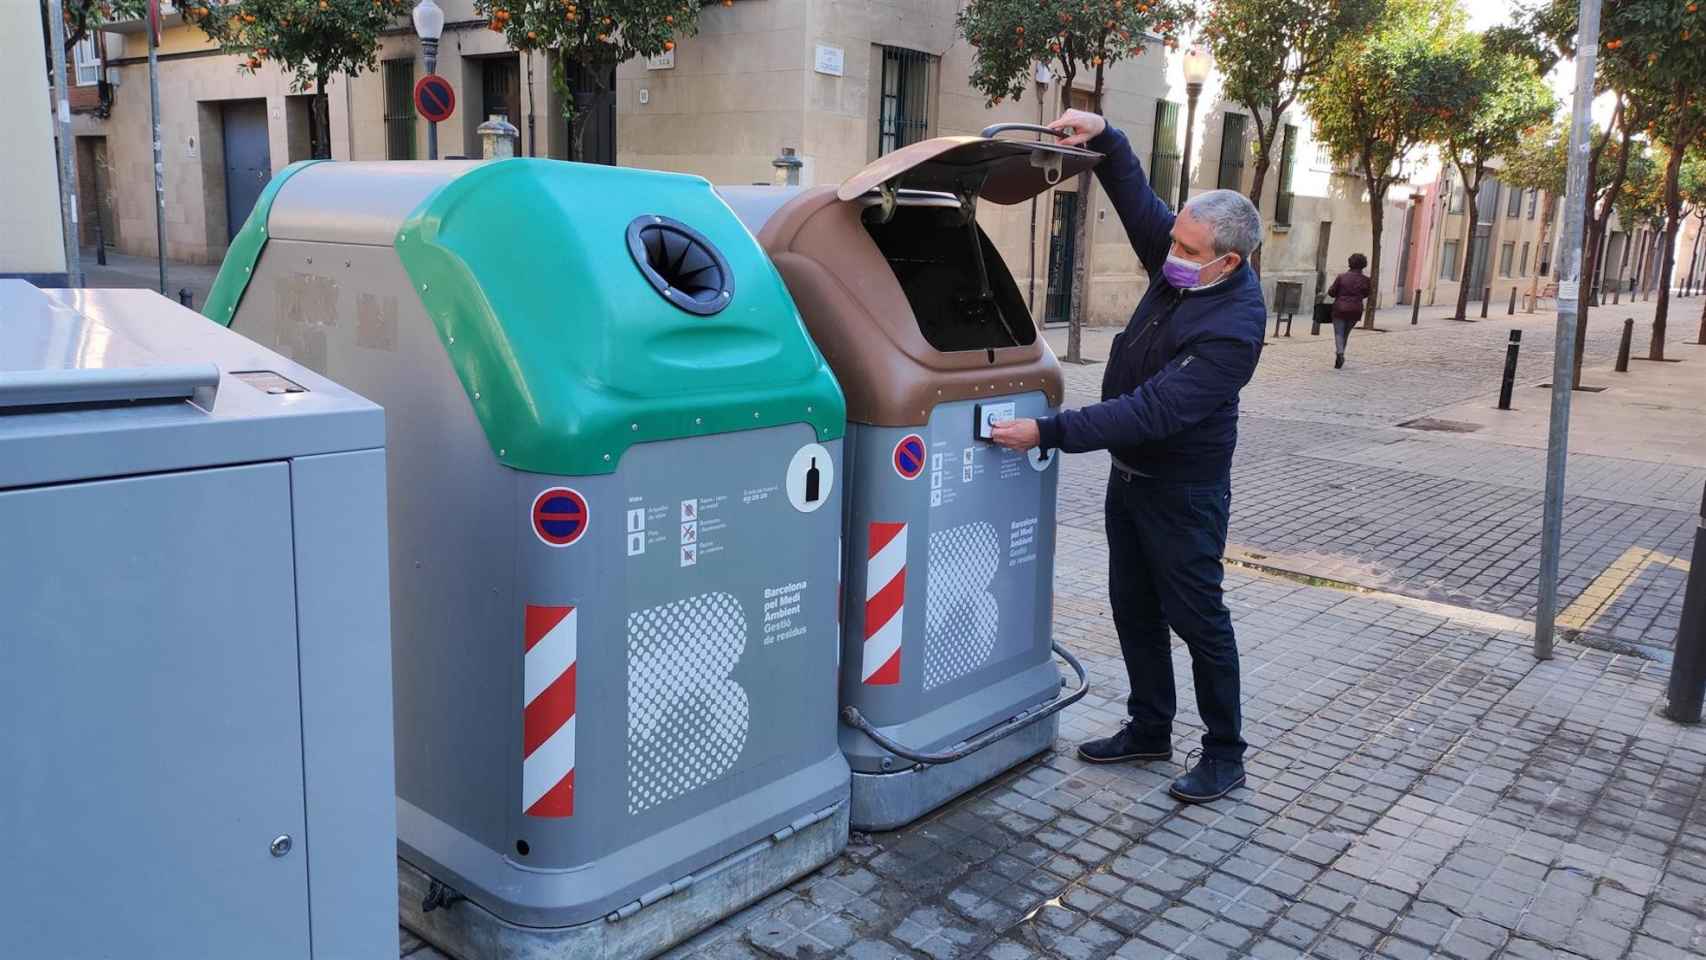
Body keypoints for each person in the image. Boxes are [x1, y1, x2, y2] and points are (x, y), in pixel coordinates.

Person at [989, 109, 1264, 805]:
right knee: (1133, 608)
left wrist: (1049, 433)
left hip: (1184, 492)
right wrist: (1107, 135)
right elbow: (1138, 201)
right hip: (1131, 483)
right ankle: (1148, 727)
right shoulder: (1183, 271)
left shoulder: (1233, 326)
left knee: (1199, 619)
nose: (1171, 250)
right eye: (1175, 239)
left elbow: (1153, 412)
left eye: (1189, 247)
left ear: (1227, 262)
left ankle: (1225, 753)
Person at [1326, 254, 1371, 369]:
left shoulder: (1342, 277)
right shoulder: (1366, 280)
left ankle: (1340, 353)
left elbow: (1332, 292)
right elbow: (1366, 293)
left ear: (1350, 263)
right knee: (1345, 334)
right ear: (1363, 265)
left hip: (1340, 308)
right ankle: (1340, 355)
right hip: (1356, 309)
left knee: (1338, 333)